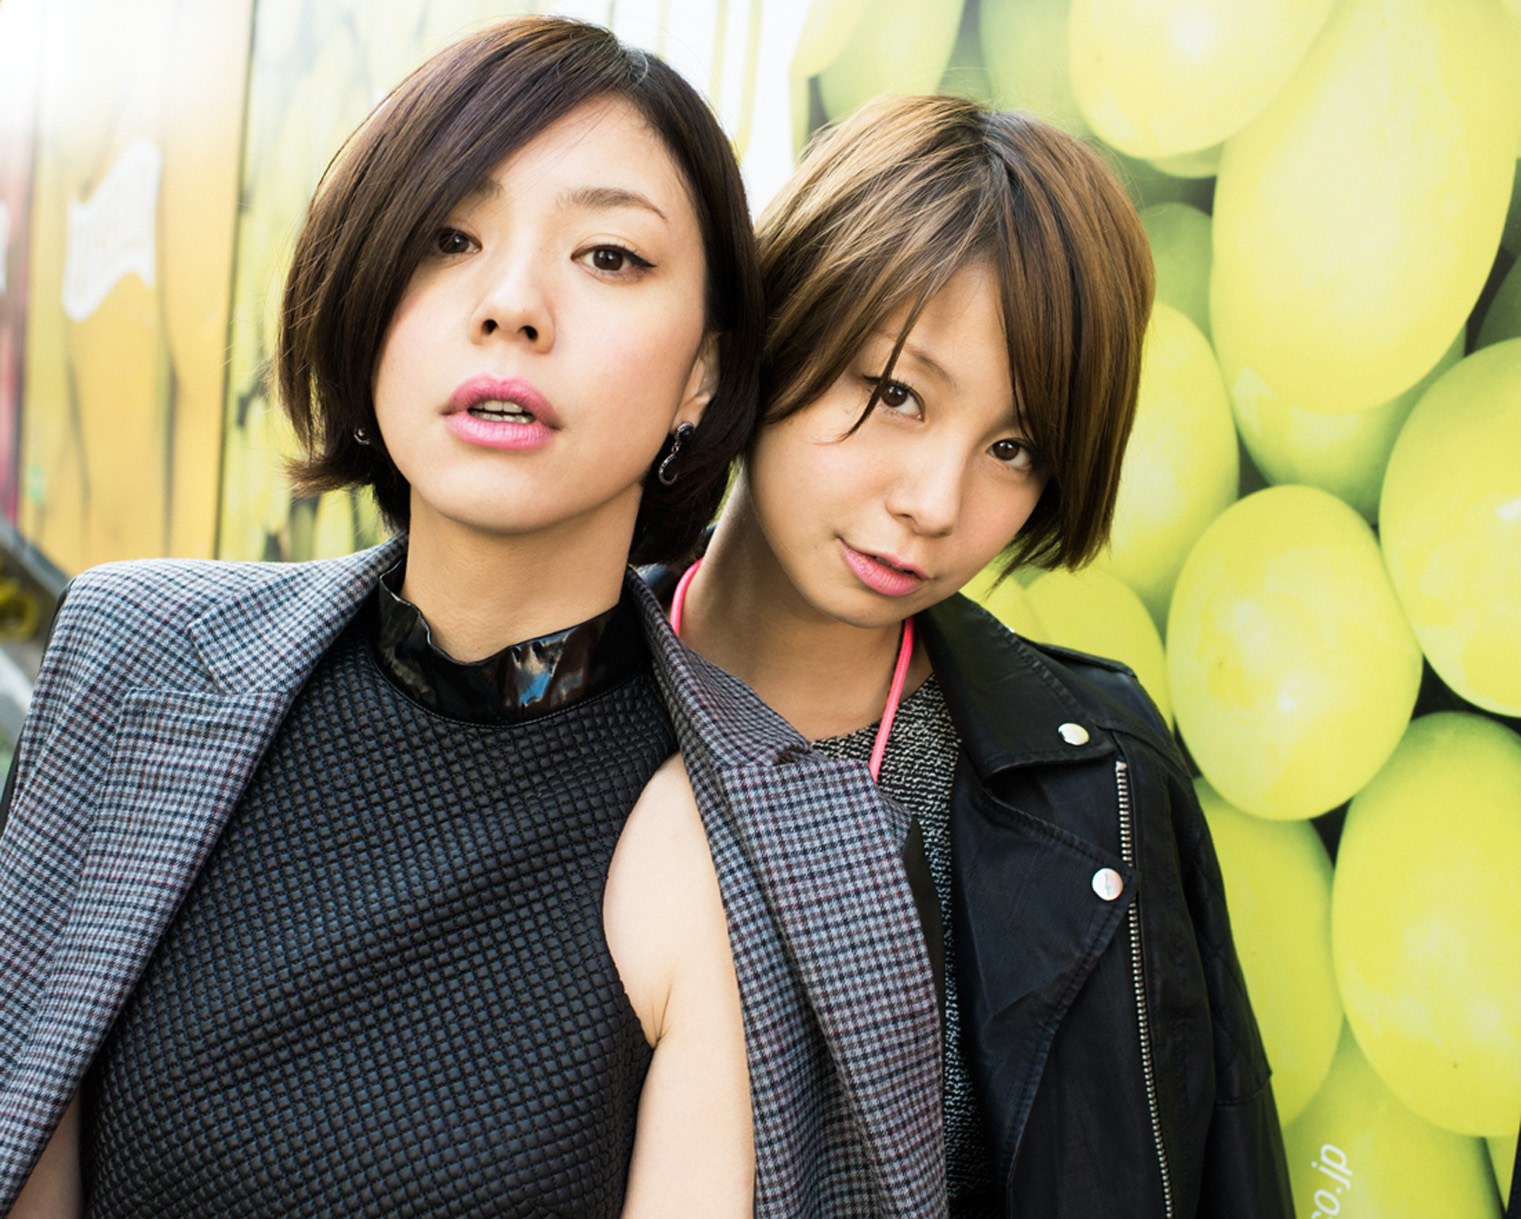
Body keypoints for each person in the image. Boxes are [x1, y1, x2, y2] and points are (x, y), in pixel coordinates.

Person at [0, 17, 761, 1217]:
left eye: (610, 255)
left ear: (702, 376)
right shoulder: (134, 659)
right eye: (448, 237)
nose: (512, 305)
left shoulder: (740, 832)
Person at [656, 94, 1295, 1216]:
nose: (937, 502)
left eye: (1012, 447)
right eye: (895, 393)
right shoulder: (560, 689)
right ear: (774, 327)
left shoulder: (1102, 781)